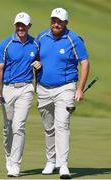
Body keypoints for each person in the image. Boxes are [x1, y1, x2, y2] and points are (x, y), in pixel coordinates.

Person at [36, 7, 90, 179]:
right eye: (54, 20)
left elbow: (85, 63)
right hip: (43, 88)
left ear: (66, 23)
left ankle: (63, 164)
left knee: (62, 125)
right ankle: (51, 161)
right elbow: (34, 57)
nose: (56, 24)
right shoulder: (42, 37)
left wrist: (80, 89)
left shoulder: (73, 39)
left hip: (65, 88)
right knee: (48, 127)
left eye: (59, 21)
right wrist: (36, 63)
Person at [0, 12, 41, 177]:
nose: (21, 28)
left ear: (29, 26)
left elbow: (43, 60)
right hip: (7, 89)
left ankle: (15, 164)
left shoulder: (35, 44)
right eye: (18, 25)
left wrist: (39, 63)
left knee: (18, 126)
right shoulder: (5, 45)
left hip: (26, 89)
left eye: (24, 25)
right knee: (8, 128)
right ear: (15, 26)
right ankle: (9, 156)